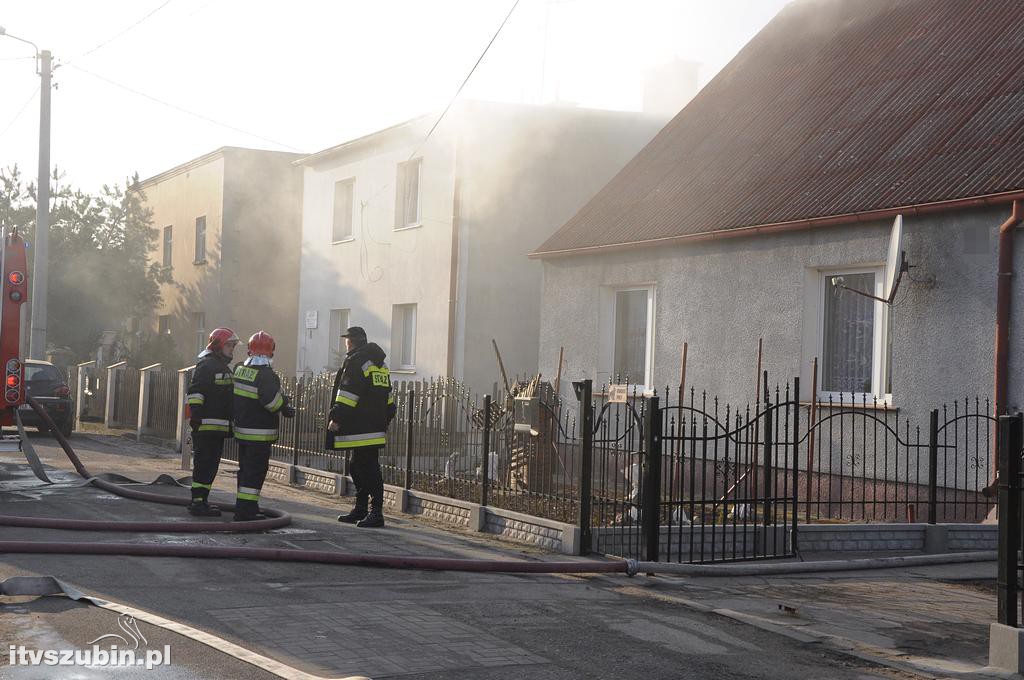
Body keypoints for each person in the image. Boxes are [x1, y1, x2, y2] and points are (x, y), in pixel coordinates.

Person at [329, 326, 395, 528]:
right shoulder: (380, 364)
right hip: (375, 426)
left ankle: (376, 513)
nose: (345, 343)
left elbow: (348, 393)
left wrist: (336, 417)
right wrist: (383, 420)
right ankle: (361, 509)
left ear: (350, 342)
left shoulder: (356, 361)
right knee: (358, 466)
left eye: (346, 340)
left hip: (360, 427)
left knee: (367, 469)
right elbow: (388, 399)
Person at [231, 330, 295, 521]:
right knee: (254, 473)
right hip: (259, 434)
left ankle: (245, 506)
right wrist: (284, 403)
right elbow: (272, 403)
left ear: (249, 350)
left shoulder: (240, 370)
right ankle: (246, 512)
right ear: (271, 352)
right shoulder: (267, 375)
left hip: (242, 432)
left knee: (245, 471)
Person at [185, 327, 239, 517]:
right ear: (218, 346)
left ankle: (202, 501)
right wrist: (197, 417)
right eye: (229, 346)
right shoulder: (207, 366)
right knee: (204, 465)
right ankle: (198, 502)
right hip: (206, 427)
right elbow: (195, 392)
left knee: (210, 466)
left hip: (217, 428)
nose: (232, 350)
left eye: (233, 346)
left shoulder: (221, 366)